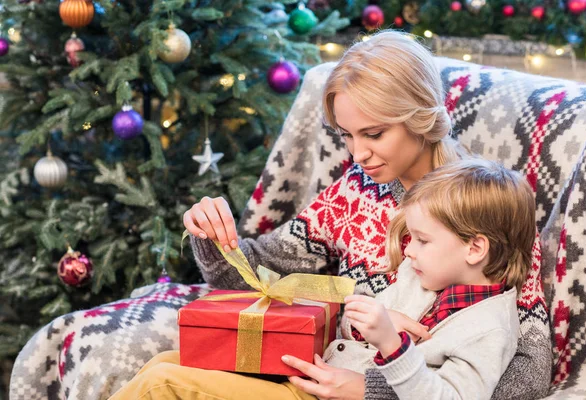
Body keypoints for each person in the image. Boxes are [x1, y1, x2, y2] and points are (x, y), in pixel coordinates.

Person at [180, 30, 551, 399]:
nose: (358, 154)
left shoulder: (486, 204)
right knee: (166, 366)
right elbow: (251, 276)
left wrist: (374, 391)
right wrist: (212, 235)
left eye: (374, 134)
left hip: (361, 388)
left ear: (420, 116)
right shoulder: (355, 189)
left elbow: (530, 370)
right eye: (346, 135)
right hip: (325, 371)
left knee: (163, 381)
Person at [108, 158, 534, 400]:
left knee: (160, 385)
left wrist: (391, 344)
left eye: (421, 240)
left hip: (318, 397)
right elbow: (356, 325)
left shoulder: (490, 326)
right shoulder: (424, 275)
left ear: (475, 248)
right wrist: (362, 320)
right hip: (313, 374)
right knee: (166, 362)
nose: (409, 250)